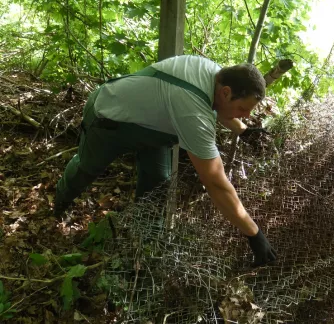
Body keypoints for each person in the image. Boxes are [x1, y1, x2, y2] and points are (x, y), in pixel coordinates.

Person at [54, 55, 277, 267]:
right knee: (87, 168)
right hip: (107, 117)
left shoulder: (213, 73)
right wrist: (253, 233)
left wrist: (243, 129)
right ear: (227, 92)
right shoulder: (194, 113)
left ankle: (145, 246)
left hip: (152, 129)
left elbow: (217, 105)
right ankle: (60, 203)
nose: (245, 115)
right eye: (242, 109)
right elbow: (215, 182)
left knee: (158, 182)